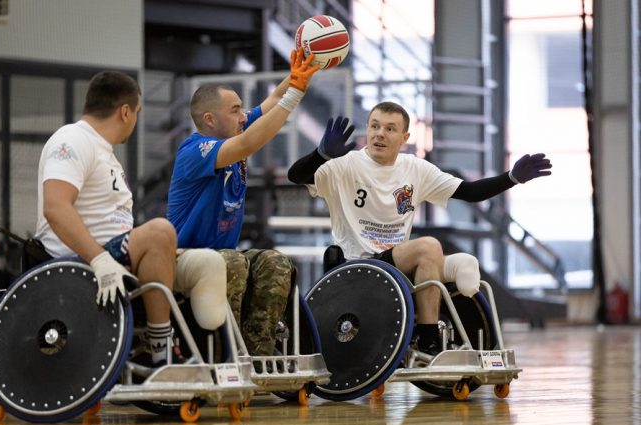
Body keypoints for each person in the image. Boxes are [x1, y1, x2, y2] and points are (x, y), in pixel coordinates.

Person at [288, 102, 552, 354]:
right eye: (375, 126)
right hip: (357, 265)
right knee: (429, 247)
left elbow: (470, 192)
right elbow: (296, 176)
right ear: (367, 129)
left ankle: (451, 278)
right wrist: (320, 155)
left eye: (390, 129)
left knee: (440, 256)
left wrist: (511, 178)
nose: (380, 134)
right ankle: (429, 337)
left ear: (404, 138)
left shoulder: (415, 169)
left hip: (396, 264)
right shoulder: (344, 165)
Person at [167, 50, 319, 356]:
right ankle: (228, 353)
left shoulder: (233, 128)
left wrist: (298, 75)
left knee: (276, 262)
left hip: (222, 257)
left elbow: (272, 101)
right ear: (210, 119)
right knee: (231, 261)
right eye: (236, 110)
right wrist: (296, 94)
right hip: (183, 259)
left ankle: (259, 352)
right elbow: (250, 142)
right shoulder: (195, 150)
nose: (243, 116)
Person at [35, 70, 177, 365]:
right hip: (77, 260)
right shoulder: (73, 140)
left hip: (111, 251)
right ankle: (160, 351)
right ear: (125, 112)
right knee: (160, 231)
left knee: (187, 252)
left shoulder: (104, 151)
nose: (135, 120)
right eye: (137, 112)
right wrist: (99, 259)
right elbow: (55, 207)